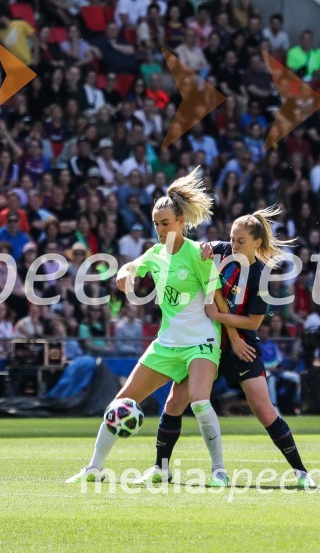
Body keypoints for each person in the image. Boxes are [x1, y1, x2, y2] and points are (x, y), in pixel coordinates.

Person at [65, 169, 225, 485]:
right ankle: (94, 469)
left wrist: (232, 338)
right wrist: (125, 274)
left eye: (165, 223)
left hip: (202, 342)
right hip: (168, 343)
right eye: (156, 224)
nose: (160, 229)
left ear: (181, 222)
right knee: (121, 402)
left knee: (199, 402)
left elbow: (217, 303)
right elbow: (132, 265)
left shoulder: (198, 255)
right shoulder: (155, 253)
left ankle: (219, 470)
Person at [140, 206, 313, 488]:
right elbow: (200, 249)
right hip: (205, 344)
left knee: (264, 409)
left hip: (242, 346)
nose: (233, 245)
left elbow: (254, 322)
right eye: (231, 239)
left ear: (257, 242)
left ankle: (301, 472)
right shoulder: (221, 252)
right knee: (175, 402)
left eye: (240, 241)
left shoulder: (260, 276)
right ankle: (161, 467)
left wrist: (220, 318)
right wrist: (206, 249)